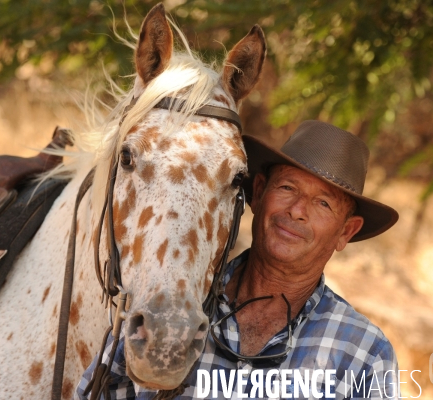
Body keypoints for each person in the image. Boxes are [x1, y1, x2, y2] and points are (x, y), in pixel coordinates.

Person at [76, 120, 400, 399]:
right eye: (287, 187)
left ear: (347, 231)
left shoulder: (364, 354)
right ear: (258, 192)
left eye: (323, 204)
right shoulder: (171, 308)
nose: (297, 211)